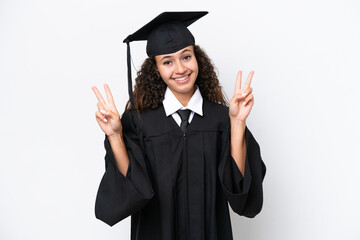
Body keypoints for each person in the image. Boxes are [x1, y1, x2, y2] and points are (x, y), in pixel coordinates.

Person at [91, 11, 266, 240]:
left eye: (186, 57)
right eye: (167, 62)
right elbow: (131, 190)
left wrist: (238, 123)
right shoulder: (138, 121)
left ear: (197, 59)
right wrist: (115, 136)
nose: (180, 69)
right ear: (155, 70)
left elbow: (240, 190)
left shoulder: (222, 119)